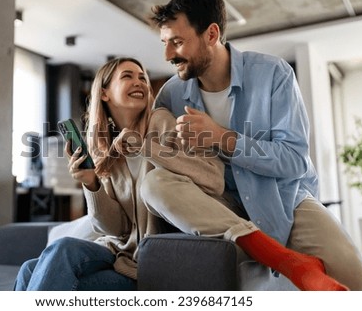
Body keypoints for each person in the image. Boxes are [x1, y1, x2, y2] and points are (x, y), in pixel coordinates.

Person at [144, 0, 362, 290]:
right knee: (154, 184)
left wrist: (223, 138)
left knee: (354, 279)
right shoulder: (171, 93)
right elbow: (159, 161)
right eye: (165, 43)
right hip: (218, 206)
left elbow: (294, 161)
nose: (168, 55)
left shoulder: (274, 74)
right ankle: (275, 255)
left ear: (211, 34)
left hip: (282, 198)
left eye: (178, 42)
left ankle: (270, 253)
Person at [14, 57, 225, 290]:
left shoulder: (162, 123)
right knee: (28, 268)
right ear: (104, 93)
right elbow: (116, 229)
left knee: (62, 251)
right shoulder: (105, 147)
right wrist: (91, 184)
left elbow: (213, 178)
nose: (140, 83)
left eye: (142, 77)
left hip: (144, 264)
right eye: (128, 76)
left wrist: (144, 146)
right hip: (115, 254)